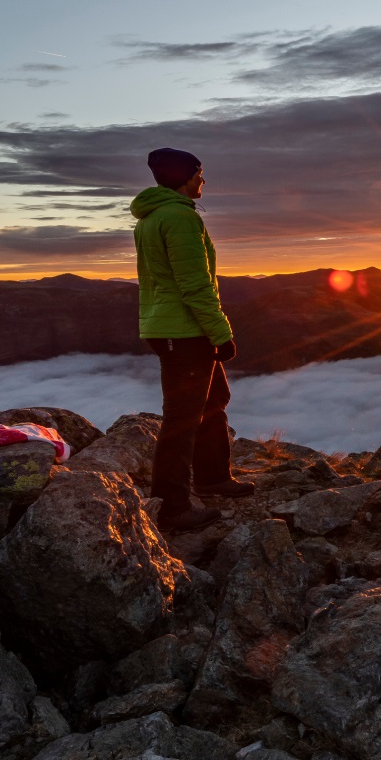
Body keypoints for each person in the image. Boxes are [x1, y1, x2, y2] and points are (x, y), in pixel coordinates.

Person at [132, 147, 254, 532]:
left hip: (169, 327)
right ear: (184, 178)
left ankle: (213, 477)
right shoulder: (179, 218)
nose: (203, 180)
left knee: (214, 399)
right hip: (184, 331)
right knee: (182, 419)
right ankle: (172, 508)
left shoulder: (152, 217)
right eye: (199, 174)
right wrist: (221, 334)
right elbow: (195, 285)